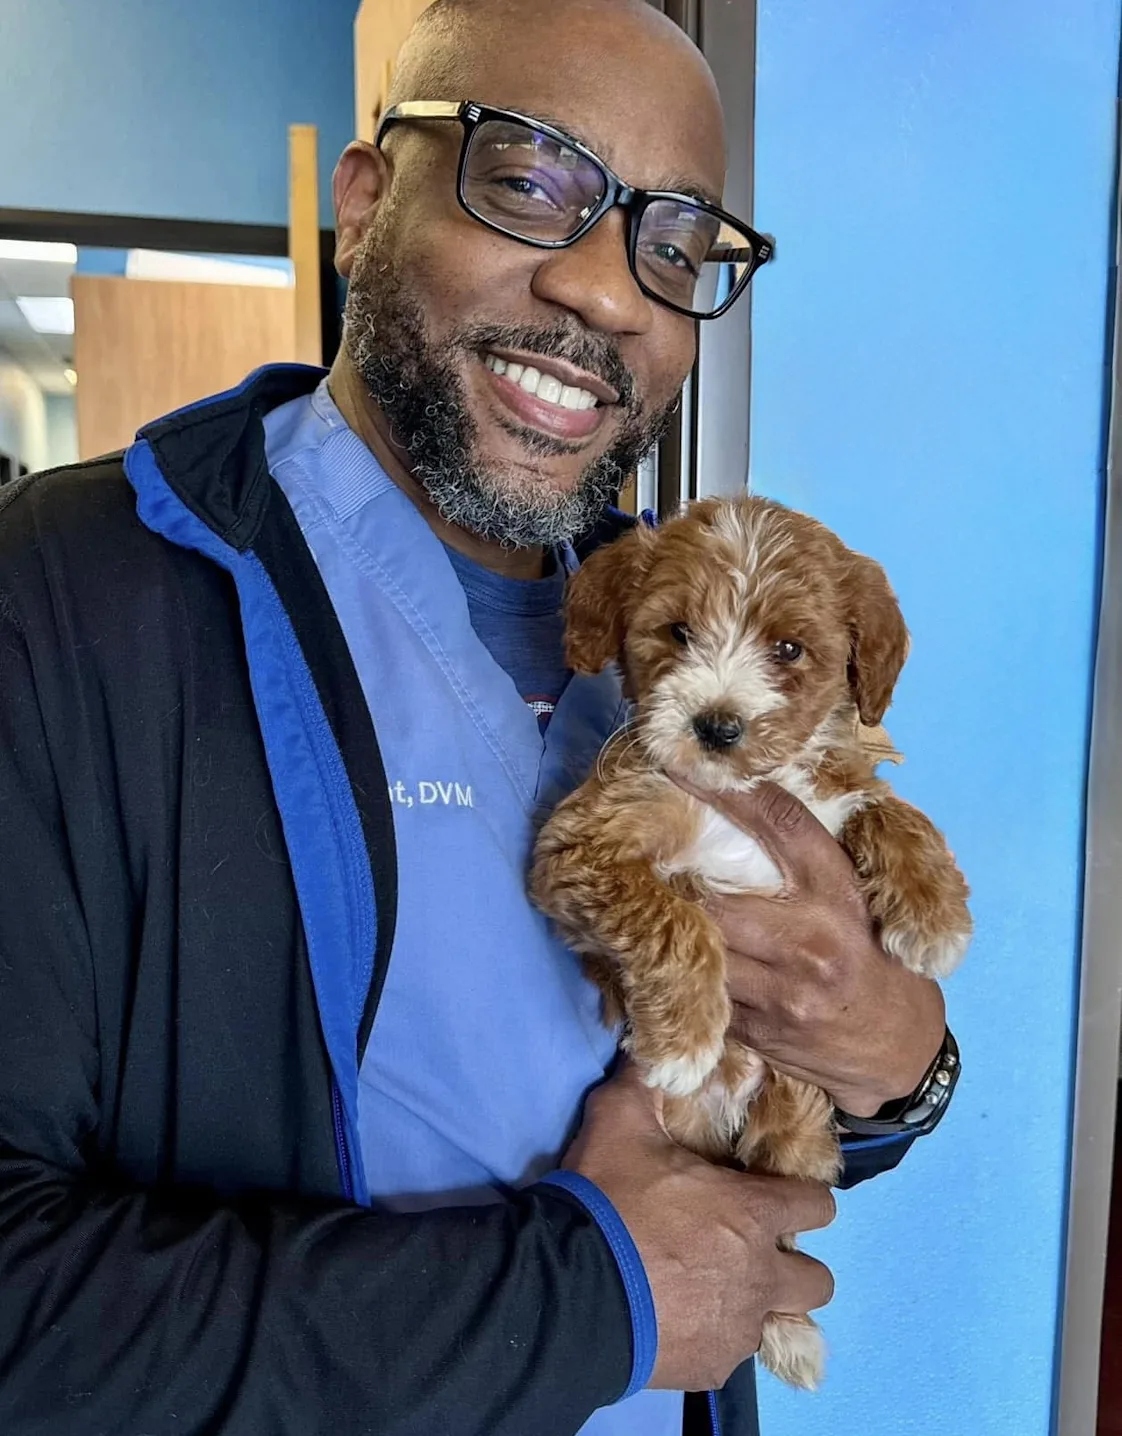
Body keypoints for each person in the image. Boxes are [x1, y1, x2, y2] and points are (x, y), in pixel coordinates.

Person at [0, 1, 959, 1433]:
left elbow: (719, 1063)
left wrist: (900, 1070)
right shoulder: (64, 601)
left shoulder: (657, 609)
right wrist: (590, 1302)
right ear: (365, 200)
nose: (607, 293)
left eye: (676, 246)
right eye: (526, 182)